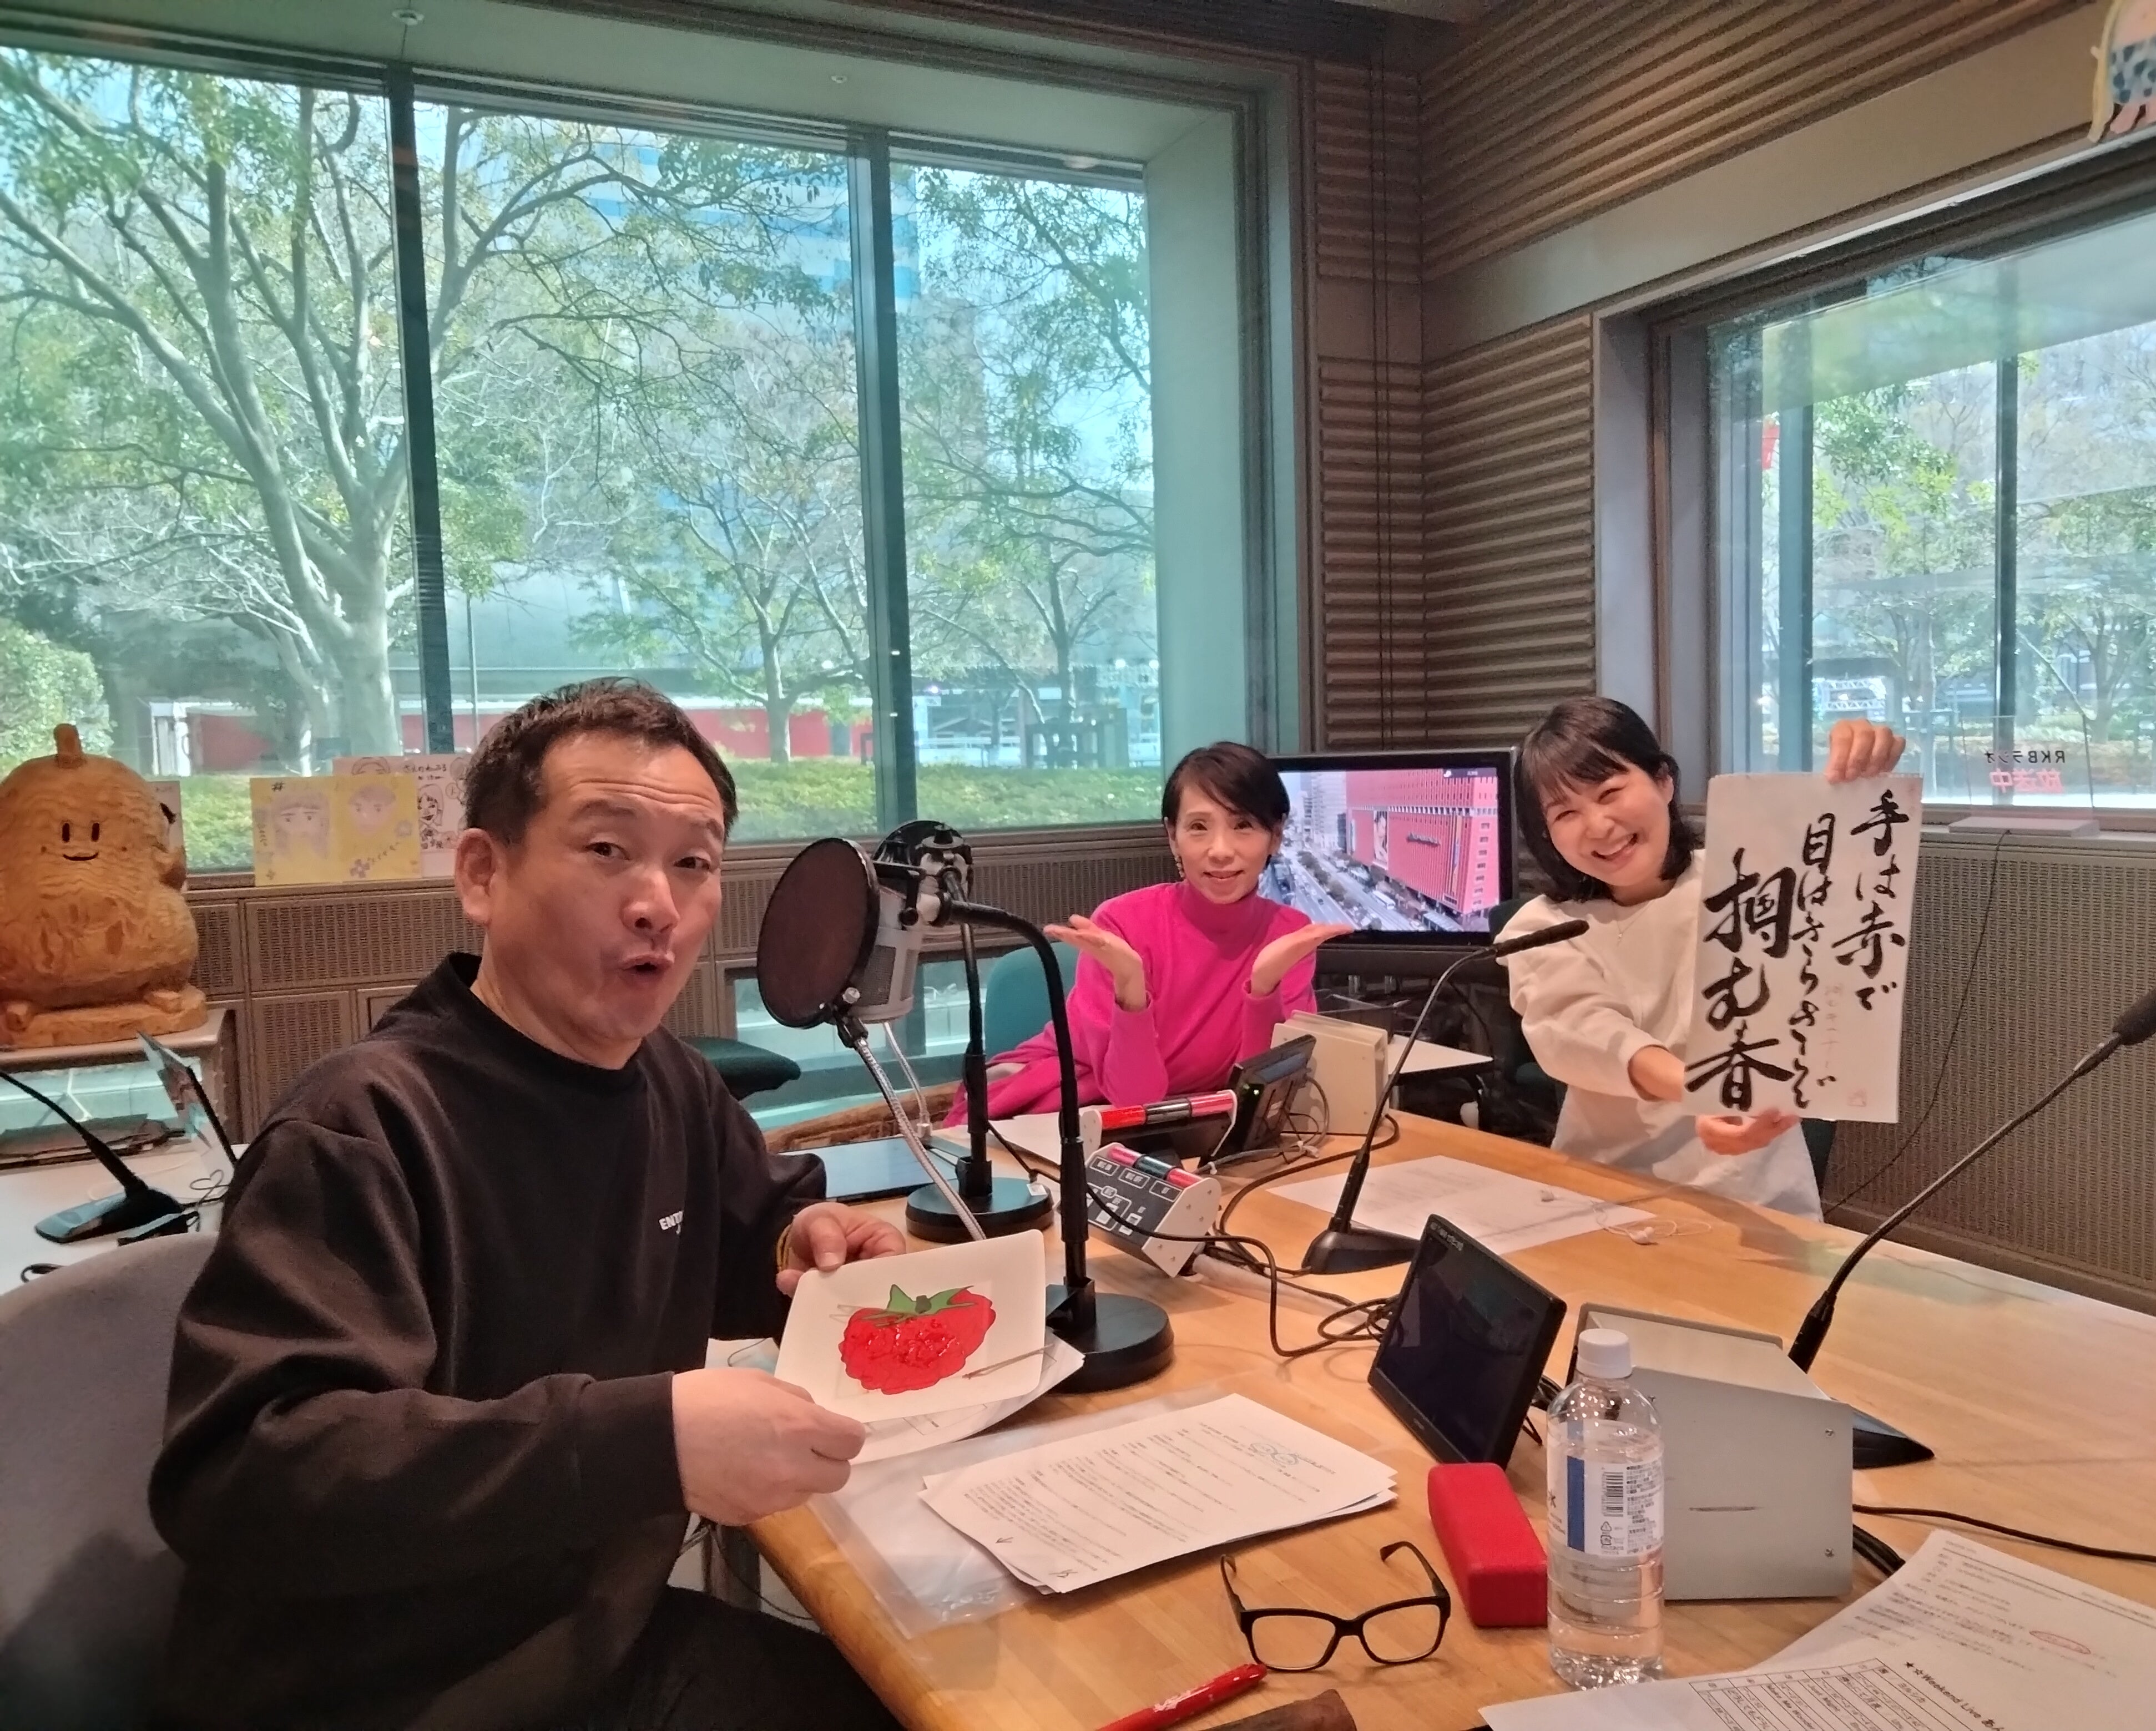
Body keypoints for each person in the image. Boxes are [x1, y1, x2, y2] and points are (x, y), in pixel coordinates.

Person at [148, 680, 907, 1731]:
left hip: (592, 1645)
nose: (658, 903)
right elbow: (251, 1472)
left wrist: (809, 1245)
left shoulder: (671, 1082)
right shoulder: (363, 1126)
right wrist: (647, 1442)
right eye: (607, 850)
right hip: (380, 1690)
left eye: (694, 864)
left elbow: (750, 1242)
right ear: (483, 874)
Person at [1498, 699, 1905, 1218]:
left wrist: (1863, 780)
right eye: (1565, 813)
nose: (1598, 826)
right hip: (1602, 1194)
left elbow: (1849, 911)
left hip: (1756, 1199)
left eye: (1610, 792)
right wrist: (1704, 1089)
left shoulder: (1754, 883)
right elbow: (1585, 1036)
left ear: (1663, 781)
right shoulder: (1542, 928)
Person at [960, 742, 1348, 1121]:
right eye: (1198, 827)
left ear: (1276, 835)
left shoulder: (1289, 936)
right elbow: (1135, 1100)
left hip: (1195, 1124)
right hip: (1069, 1110)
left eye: (1243, 825)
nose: (1220, 851)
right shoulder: (1122, 923)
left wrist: (1263, 989)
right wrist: (1131, 987)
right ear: (1172, 836)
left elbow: (1256, 1102)